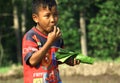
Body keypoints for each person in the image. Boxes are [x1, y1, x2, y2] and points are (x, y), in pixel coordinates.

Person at [22, 0, 80, 83]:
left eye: (55, 15)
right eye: (47, 16)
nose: (53, 19)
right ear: (36, 18)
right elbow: (32, 61)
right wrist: (49, 42)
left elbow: (56, 59)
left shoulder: (57, 37)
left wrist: (69, 60)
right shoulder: (31, 36)